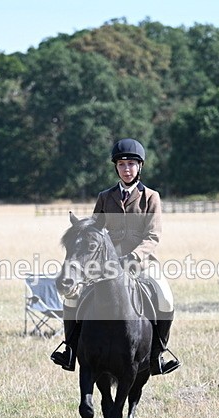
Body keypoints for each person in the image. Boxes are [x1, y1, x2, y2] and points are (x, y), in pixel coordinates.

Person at [51, 138, 180, 375]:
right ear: (116, 167)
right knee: (72, 295)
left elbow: (153, 236)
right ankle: (69, 349)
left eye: (131, 164)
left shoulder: (151, 197)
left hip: (141, 263)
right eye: (121, 164)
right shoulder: (105, 196)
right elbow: (93, 231)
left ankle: (158, 354)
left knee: (166, 298)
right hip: (105, 265)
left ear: (139, 167)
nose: (126, 169)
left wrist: (133, 257)